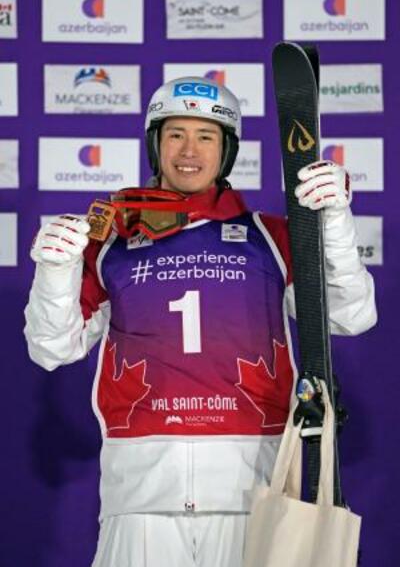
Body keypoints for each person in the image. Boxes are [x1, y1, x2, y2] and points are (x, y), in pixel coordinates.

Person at [24, 76, 377, 567]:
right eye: (175, 134)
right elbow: (51, 347)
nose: (189, 150)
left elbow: (350, 314)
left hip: (251, 493)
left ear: (226, 151)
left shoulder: (270, 236)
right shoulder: (112, 244)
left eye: (206, 136)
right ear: (155, 143)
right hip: (141, 500)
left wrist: (334, 223)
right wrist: (55, 272)